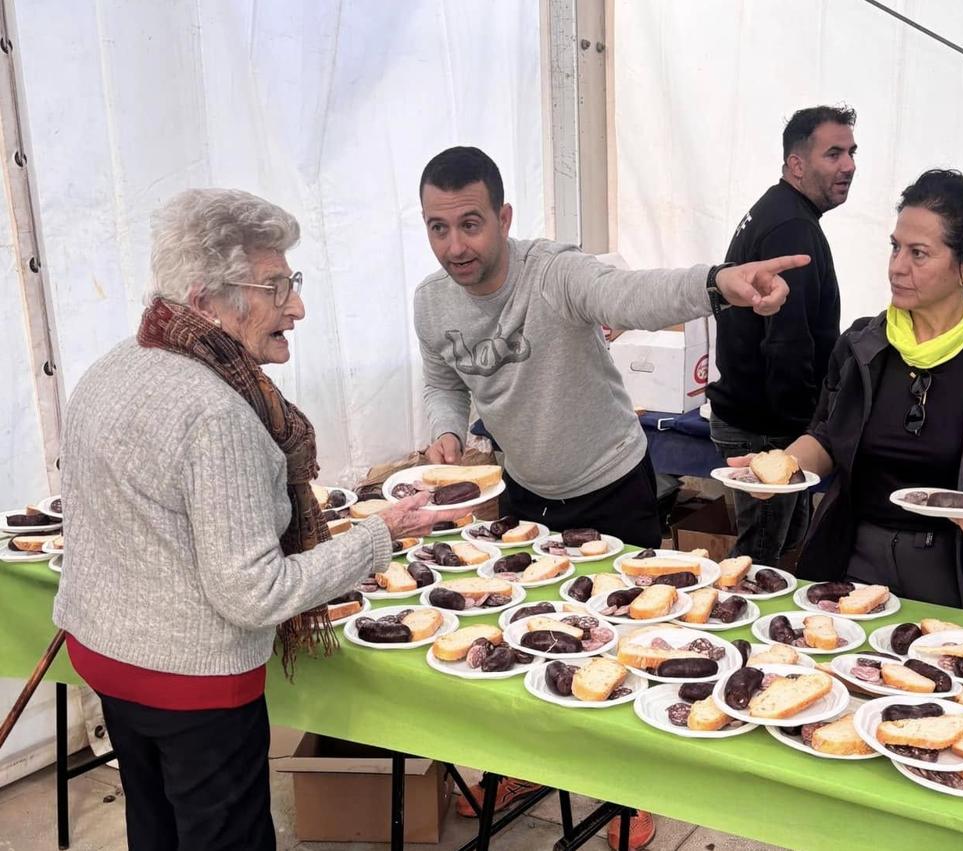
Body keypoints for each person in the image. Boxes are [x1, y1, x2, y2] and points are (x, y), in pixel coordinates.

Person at [414, 145, 802, 849]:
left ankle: (629, 790)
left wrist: (720, 282)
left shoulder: (552, 274)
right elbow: (444, 377)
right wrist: (444, 428)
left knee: (626, 645)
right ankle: (528, 765)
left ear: (503, 217)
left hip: (610, 486)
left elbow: (633, 295)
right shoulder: (430, 302)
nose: (454, 246)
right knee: (523, 640)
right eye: (437, 228)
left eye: (469, 225)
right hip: (525, 494)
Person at [51, 189, 457, 851]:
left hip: (106, 656)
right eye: (275, 287)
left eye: (291, 282)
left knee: (155, 828)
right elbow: (253, 592)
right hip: (190, 680)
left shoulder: (116, 363)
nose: (295, 306)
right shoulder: (217, 413)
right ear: (205, 299)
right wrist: (377, 537)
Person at [733, 170, 963, 617]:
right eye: (895, 247)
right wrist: (780, 469)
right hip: (852, 561)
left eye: (919, 254)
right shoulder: (862, 345)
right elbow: (826, 437)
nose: (897, 266)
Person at [707, 104, 855, 569]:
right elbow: (788, 343)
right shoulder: (791, 226)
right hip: (765, 427)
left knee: (784, 539)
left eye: (852, 153)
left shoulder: (781, 212)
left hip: (759, 418)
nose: (848, 166)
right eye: (833, 154)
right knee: (758, 558)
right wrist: (806, 431)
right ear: (796, 164)